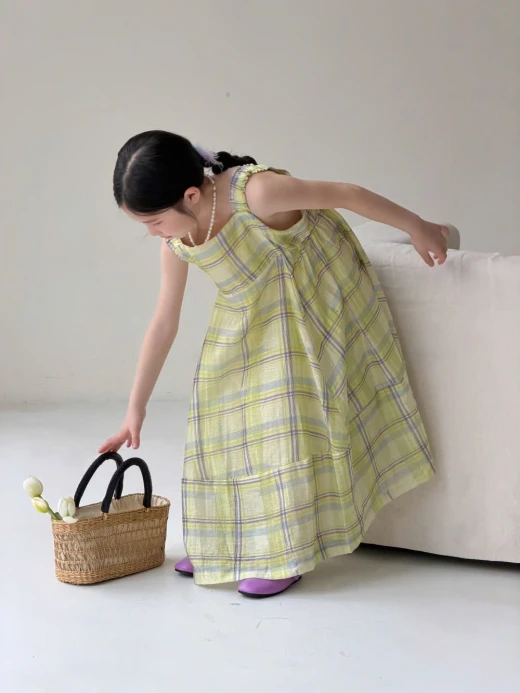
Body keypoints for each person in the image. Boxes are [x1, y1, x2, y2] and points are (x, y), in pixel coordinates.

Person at [100, 130, 447, 598]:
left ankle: (286, 551)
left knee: (282, 415)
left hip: (312, 294)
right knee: (218, 416)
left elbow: (347, 194)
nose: (152, 233)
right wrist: (134, 408)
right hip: (249, 309)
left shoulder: (256, 193)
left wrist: (418, 227)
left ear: (191, 195)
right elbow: (164, 321)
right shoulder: (177, 240)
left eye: (155, 221)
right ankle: (224, 543)